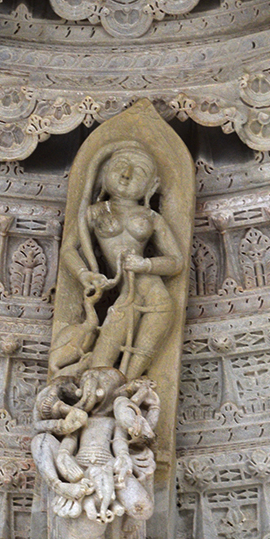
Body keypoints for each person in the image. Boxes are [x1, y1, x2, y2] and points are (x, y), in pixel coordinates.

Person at [55, 142, 183, 381]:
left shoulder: (150, 217)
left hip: (154, 294)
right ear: (104, 175)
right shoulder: (94, 212)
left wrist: (145, 265)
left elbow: (176, 262)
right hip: (125, 295)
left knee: (134, 363)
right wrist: (85, 274)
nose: (126, 175)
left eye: (139, 172)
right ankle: (107, 394)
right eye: (120, 167)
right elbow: (69, 249)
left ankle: (126, 391)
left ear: (151, 187)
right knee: (101, 362)